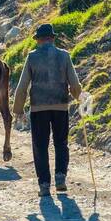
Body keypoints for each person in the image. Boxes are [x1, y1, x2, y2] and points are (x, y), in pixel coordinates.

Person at [12, 23, 83, 198]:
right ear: (52, 38)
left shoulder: (32, 57)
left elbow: (22, 87)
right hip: (60, 107)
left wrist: (18, 110)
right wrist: (78, 97)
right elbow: (74, 84)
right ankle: (60, 178)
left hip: (39, 108)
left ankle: (44, 185)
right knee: (61, 143)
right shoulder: (64, 56)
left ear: (38, 40)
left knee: (40, 146)